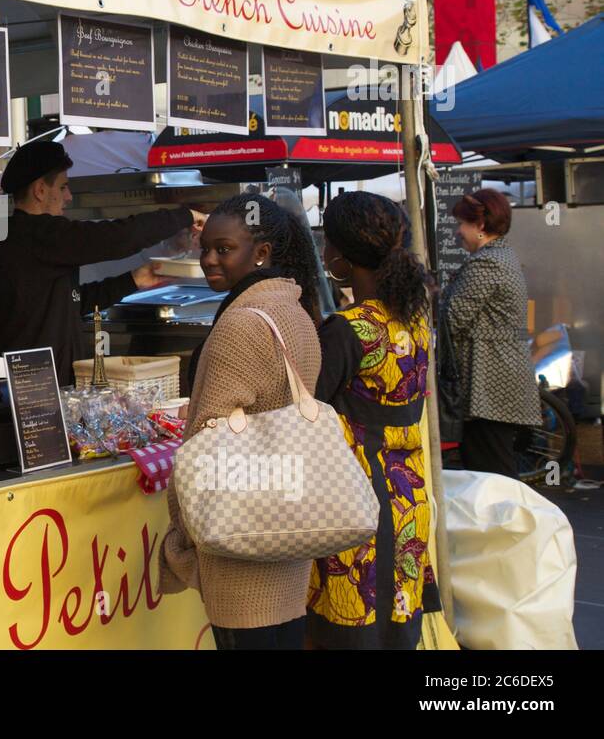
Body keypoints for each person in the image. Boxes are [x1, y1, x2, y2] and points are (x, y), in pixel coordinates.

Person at [160, 193, 322, 650]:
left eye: (224, 249)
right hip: (289, 530)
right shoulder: (294, 311)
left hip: (241, 544)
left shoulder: (243, 324)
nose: (209, 259)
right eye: (205, 247)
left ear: (262, 253)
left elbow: (201, 448)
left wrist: (182, 539)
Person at [306, 191, 441, 650]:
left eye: (327, 242)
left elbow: (305, 409)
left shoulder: (347, 328)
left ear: (341, 257)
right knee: (396, 631)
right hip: (408, 500)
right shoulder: (416, 318)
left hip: (355, 505)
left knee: (353, 633)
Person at [0, 140, 205, 384]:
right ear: (40, 190)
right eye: (63, 187)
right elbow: (116, 237)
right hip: (35, 388)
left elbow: (74, 302)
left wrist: (135, 279)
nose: (68, 197)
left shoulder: (25, 236)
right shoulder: (35, 234)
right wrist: (182, 215)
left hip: (46, 383)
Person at [438, 189, 541, 477]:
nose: (458, 232)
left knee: (490, 475)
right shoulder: (502, 255)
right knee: (492, 470)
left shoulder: (487, 262)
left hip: (489, 385)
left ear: (480, 226)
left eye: (462, 224)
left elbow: (451, 318)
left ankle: (506, 524)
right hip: (499, 381)